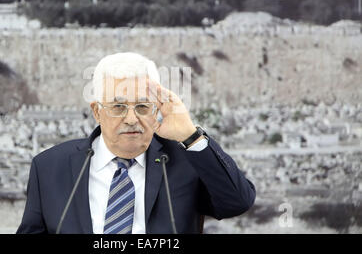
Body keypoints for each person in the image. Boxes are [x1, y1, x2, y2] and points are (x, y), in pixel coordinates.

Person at [17, 52, 256, 234]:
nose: (131, 119)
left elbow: (237, 202)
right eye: (118, 107)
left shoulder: (186, 162)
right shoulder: (49, 167)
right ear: (97, 112)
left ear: (157, 108)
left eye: (142, 107)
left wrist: (191, 136)